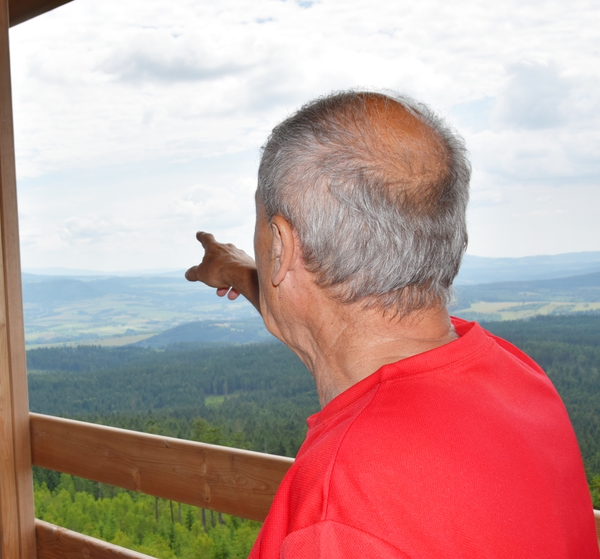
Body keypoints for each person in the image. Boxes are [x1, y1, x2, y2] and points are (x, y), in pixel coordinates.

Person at [185, 91, 599, 558]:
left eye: (260, 222)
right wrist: (246, 273)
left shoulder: (337, 510)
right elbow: (343, 334)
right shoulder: (516, 377)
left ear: (281, 245)